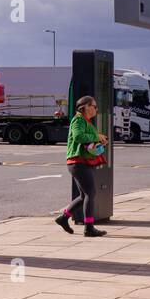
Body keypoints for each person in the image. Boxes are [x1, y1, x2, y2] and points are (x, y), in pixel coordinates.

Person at [54, 95, 108, 237]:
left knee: (84, 195)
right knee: (90, 193)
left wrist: (100, 140)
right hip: (78, 162)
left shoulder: (86, 121)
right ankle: (89, 228)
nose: (96, 109)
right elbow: (78, 137)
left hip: (81, 162)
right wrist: (97, 137)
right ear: (85, 107)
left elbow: (87, 139)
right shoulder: (78, 120)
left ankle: (63, 218)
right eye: (94, 106)